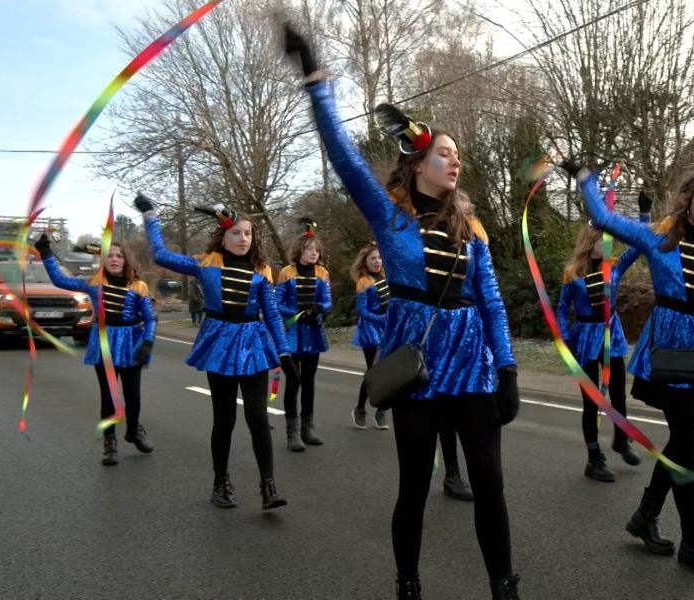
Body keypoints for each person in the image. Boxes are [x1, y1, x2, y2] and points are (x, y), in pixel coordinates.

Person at [285, 23, 522, 600]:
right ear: (418, 163)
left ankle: (503, 585)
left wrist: (508, 367)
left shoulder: (473, 230)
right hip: (415, 365)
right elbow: (342, 157)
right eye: (445, 153)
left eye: (459, 155)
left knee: (490, 484)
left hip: (473, 366)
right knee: (414, 484)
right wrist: (317, 81)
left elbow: (489, 299)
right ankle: (408, 582)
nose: (456, 162)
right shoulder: (391, 219)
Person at [570, 155, 694, 577]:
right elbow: (603, 216)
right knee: (686, 442)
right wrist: (587, 177)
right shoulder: (658, 237)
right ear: (687, 202)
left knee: (683, 440)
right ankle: (693, 538)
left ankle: (646, 514)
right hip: (670, 348)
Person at [134, 196, 294, 511]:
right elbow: (161, 254)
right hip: (219, 341)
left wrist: (285, 353)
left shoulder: (262, 270)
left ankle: (268, 487)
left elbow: (272, 314)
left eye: (247, 233)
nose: (243, 239)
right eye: (236, 233)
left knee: (258, 417)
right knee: (224, 420)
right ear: (222, 236)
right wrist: (151, 216)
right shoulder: (206, 263)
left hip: (253, 343)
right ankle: (220, 483)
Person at [36, 234, 156, 465]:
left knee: (133, 395)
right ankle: (109, 443)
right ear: (103, 260)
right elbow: (61, 281)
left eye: (119, 256)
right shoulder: (95, 282)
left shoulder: (138, 285)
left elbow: (150, 319)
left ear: (126, 260)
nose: (114, 259)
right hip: (105, 342)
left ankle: (133, 431)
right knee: (109, 396)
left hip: (132, 342)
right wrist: (46, 254)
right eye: (109, 256)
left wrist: (148, 342)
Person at [557, 190, 650, 482]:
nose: (608, 243)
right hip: (584, 338)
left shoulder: (616, 266)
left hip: (612, 335)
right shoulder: (573, 273)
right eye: (602, 239)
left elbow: (641, 244)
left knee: (619, 395)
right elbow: (561, 309)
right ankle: (593, 458)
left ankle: (621, 439)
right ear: (590, 242)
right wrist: (563, 341)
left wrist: (644, 214)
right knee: (592, 403)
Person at [276, 218, 332, 451]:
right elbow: (276, 303)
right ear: (299, 250)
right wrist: (297, 312)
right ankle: (293, 433)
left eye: (317, 251)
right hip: (291, 334)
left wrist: (320, 309)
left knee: (309, 382)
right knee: (294, 381)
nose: (314, 254)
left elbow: (327, 301)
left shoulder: (322, 273)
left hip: (313, 334)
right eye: (310, 250)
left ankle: (308, 429)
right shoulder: (286, 273)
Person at [349, 242, 391, 430]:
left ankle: (381, 410)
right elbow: (362, 311)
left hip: (387, 329)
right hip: (370, 330)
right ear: (365, 262)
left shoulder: (385, 276)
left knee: (387, 372)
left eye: (379, 257)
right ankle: (360, 409)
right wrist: (380, 319)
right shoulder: (363, 282)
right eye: (373, 258)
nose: (377, 261)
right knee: (373, 372)